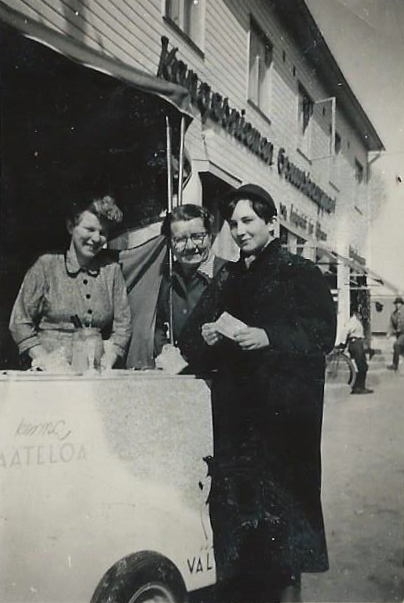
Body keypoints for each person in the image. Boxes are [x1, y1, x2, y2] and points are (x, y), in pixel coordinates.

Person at [180, 184, 336, 603]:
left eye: (248, 221)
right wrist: (207, 336)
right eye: (233, 224)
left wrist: (268, 336)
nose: (240, 231)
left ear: (272, 223)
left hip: (283, 430)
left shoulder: (300, 272)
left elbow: (323, 333)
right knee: (240, 545)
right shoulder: (228, 277)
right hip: (235, 430)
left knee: (283, 545)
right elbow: (189, 338)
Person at [9, 195, 132, 371]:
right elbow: (20, 322)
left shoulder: (112, 271)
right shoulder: (46, 266)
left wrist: (108, 361)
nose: (96, 238)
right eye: (89, 229)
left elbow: (123, 326)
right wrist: (46, 361)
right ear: (70, 227)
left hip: (95, 370)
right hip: (49, 371)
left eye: (103, 232)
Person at [154, 203, 226, 359]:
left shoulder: (230, 274)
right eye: (180, 239)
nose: (190, 246)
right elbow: (157, 327)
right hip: (178, 369)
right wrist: (164, 348)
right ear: (170, 244)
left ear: (210, 236)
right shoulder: (167, 278)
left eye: (197, 237)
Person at [339, 308, 373, 394]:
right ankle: (359, 387)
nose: (361, 316)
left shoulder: (356, 321)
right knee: (362, 365)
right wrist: (343, 343)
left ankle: (358, 386)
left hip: (358, 343)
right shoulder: (353, 321)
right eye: (359, 314)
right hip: (355, 344)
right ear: (355, 313)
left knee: (360, 365)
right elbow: (345, 331)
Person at [386, 296, 404, 371]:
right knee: (401, 350)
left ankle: (394, 365)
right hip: (399, 335)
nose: (397, 305)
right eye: (396, 303)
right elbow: (391, 325)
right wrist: (389, 333)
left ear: (402, 304)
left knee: (396, 345)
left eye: (399, 303)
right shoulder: (393, 314)